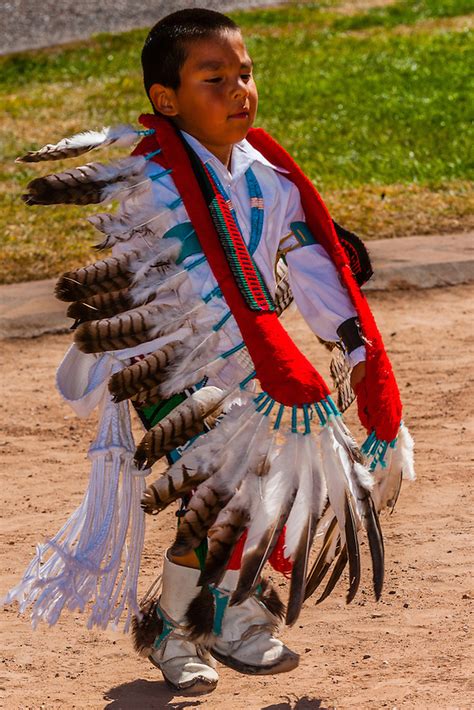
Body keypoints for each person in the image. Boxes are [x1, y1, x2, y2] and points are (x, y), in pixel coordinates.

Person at [6, 7, 414, 696]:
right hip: (170, 363)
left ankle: (230, 616)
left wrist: (358, 349)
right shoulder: (153, 187)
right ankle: (176, 628)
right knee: (222, 493)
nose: (239, 90)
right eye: (214, 77)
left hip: (248, 362)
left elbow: (315, 269)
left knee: (259, 492)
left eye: (245, 73)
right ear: (166, 101)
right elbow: (160, 292)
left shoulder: (269, 180)